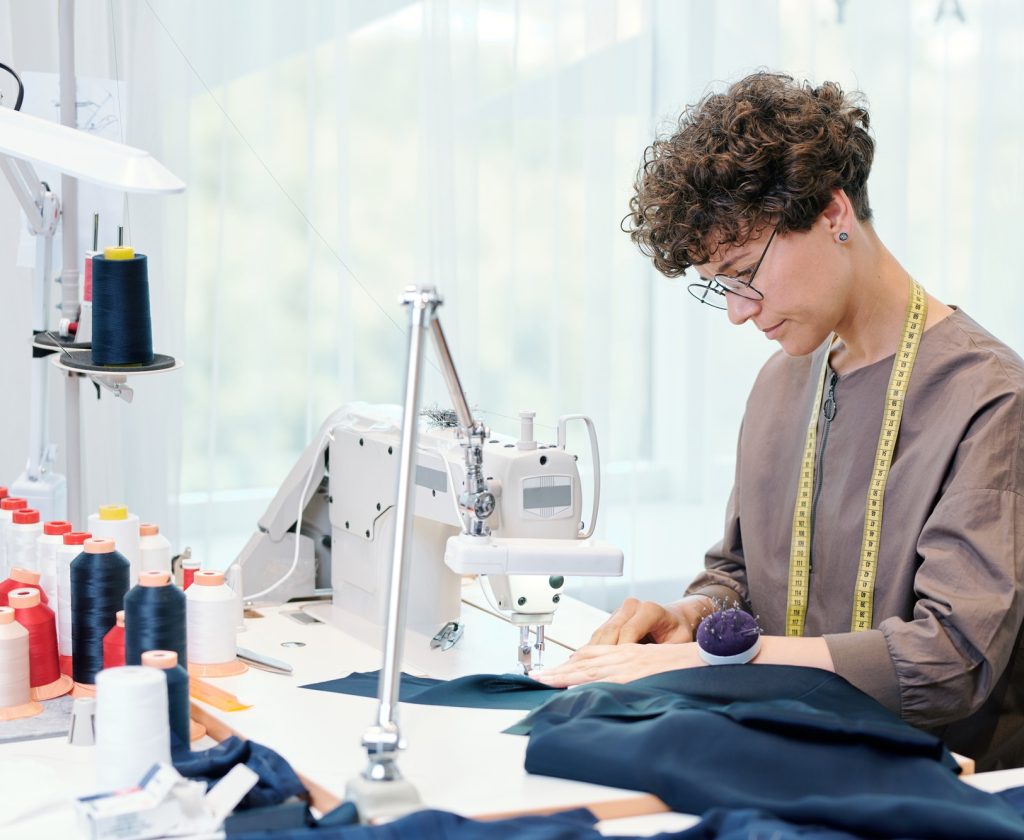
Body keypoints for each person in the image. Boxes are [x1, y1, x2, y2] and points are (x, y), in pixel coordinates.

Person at [533, 71, 1024, 772]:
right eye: (720, 287)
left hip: (945, 787)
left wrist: (725, 666)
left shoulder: (989, 399)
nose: (738, 310)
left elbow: (948, 663)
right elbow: (740, 573)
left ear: (832, 215)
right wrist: (695, 619)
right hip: (787, 756)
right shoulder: (783, 380)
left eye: (742, 272)